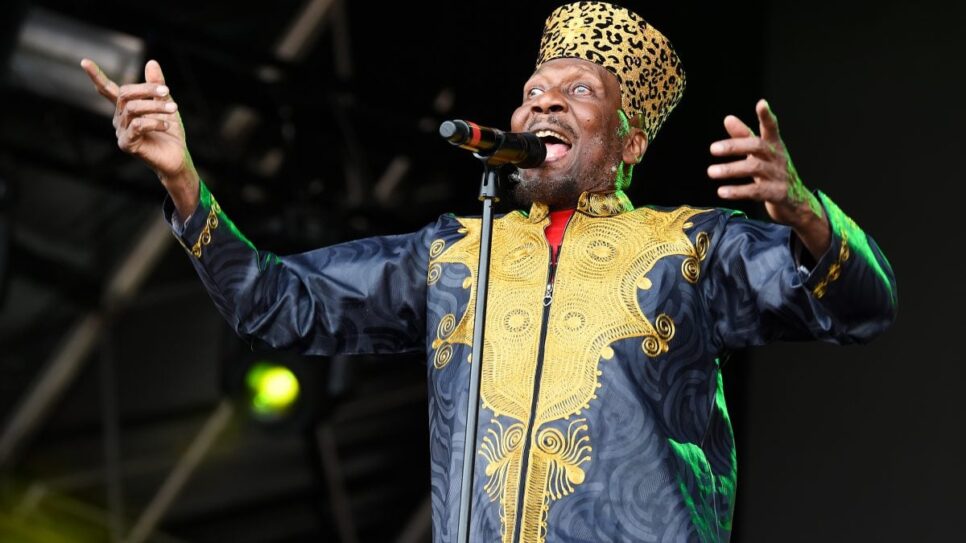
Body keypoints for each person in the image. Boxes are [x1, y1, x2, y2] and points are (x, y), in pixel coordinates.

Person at [81, 2, 896, 541]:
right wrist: (183, 180)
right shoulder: (452, 254)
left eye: (578, 91)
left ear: (631, 141)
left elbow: (862, 306)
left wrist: (804, 213)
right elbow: (274, 303)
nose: (544, 102)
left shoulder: (692, 247)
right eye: (533, 90)